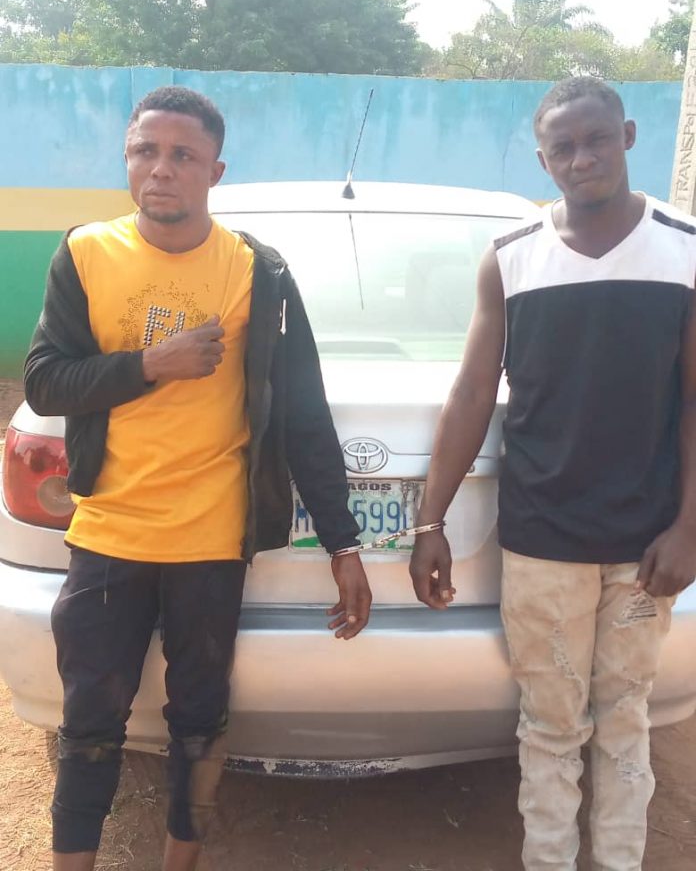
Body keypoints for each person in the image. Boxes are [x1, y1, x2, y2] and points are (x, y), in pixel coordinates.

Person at [24, 85, 372, 871]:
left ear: (215, 171)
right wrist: (151, 364)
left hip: (210, 541)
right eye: (145, 151)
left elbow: (304, 416)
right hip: (108, 533)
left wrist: (343, 545)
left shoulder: (257, 272)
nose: (162, 169)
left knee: (199, 719)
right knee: (89, 722)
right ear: (127, 159)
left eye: (183, 155)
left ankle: (179, 862)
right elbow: (44, 382)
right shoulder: (86, 253)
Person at [409, 77, 696, 870]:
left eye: (597, 139)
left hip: (646, 544)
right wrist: (430, 521)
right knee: (549, 724)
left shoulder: (684, 250)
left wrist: (689, 526)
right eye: (563, 147)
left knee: (625, 716)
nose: (582, 158)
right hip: (542, 539)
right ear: (543, 161)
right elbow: (472, 394)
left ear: (628, 136)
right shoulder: (511, 258)